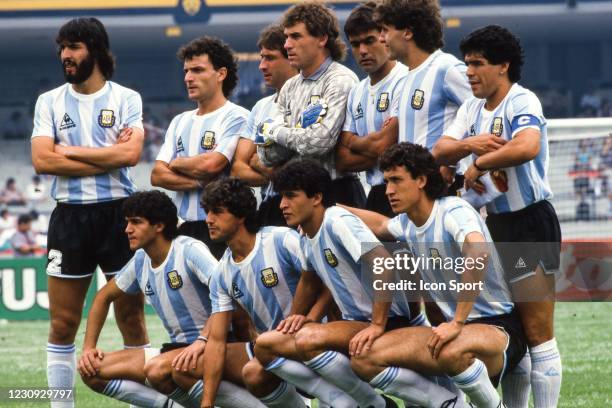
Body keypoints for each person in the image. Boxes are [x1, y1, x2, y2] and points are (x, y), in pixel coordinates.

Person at [433, 25, 562, 408]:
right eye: (468, 63)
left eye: (477, 64)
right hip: (494, 226)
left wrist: (479, 164)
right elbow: (441, 149)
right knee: (514, 328)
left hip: (528, 224)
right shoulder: (472, 107)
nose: (469, 72)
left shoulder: (522, 102)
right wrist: (469, 146)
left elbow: (527, 145)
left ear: (503, 66)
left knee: (538, 332)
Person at [344, 143, 525, 408]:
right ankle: (449, 404)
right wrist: (331, 210)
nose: (389, 190)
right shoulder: (407, 223)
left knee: (452, 351)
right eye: (386, 182)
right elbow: (381, 224)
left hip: (498, 327)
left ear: (421, 180)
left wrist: (458, 322)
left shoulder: (453, 210)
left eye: (396, 180)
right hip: (452, 332)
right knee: (363, 357)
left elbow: (478, 251)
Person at [31, 18, 148, 407]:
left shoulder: (126, 98)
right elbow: (42, 161)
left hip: (120, 216)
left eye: (75, 46)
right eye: (63, 47)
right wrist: (106, 159)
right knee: (63, 323)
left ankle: (148, 399)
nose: (66, 55)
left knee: (131, 318)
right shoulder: (48, 101)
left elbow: (130, 155)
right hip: (69, 218)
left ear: (96, 50)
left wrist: (68, 151)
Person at [254, 159, 430, 408]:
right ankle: (351, 402)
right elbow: (308, 280)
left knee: (306, 340)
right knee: (267, 345)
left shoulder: (337, 220)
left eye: (291, 196)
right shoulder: (306, 233)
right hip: (354, 324)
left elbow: (384, 264)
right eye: (282, 197)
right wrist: (297, 317)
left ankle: (373, 404)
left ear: (316, 198)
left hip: (386, 321)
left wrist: (378, 324)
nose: (283, 205)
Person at [76, 190, 260, 408]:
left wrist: (202, 340)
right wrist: (88, 348)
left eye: (136, 222)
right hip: (175, 349)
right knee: (92, 371)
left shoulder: (189, 251)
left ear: (159, 226)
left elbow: (227, 294)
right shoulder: (141, 260)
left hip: (216, 345)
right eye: (127, 222)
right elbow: (103, 297)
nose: (127, 229)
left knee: (157, 369)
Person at [187, 177, 354, 408]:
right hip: (274, 351)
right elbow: (216, 340)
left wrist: (312, 318)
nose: (208, 220)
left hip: (318, 340)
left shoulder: (281, 240)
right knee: (253, 373)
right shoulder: (222, 274)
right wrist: (207, 403)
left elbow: (329, 283)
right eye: (207, 212)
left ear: (240, 215)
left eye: (217, 212)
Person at [256, 2, 365, 207]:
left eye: (296, 36)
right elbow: (266, 155)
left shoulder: (340, 80)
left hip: (337, 191)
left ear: (322, 38)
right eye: (287, 36)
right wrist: (297, 135)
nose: (287, 44)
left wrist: (276, 131)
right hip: (296, 196)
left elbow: (318, 142)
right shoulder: (289, 86)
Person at [151, 36, 248, 259]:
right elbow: (157, 175)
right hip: (183, 228)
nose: (188, 78)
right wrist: (199, 181)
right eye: (186, 71)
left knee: (223, 293)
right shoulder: (179, 121)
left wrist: (176, 163)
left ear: (221, 74)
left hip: (222, 230)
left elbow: (211, 165)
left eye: (197, 70)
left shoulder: (237, 117)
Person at [374, 0, 472, 193]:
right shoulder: (404, 78)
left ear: (408, 32)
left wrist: (450, 162)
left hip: (442, 185)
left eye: (385, 30)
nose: (381, 38)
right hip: (413, 187)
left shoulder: (447, 68)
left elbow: (482, 113)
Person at [336, 2, 407, 217]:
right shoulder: (356, 91)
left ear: (384, 37)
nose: (363, 51)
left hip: (406, 190)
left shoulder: (405, 79)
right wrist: (378, 145)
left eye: (369, 41)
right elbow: (342, 160)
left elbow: (381, 146)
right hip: (375, 193)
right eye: (355, 44)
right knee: (375, 252)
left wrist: (352, 141)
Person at [230, 24, 298, 227]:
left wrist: (258, 162)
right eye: (261, 58)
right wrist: (276, 173)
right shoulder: (260, 107)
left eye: (270, 58)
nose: (262, 65)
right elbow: (238, 169)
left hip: (301, 204)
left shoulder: (308, 101)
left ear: (292, 59)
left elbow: (302, 167)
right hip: (269, 205)